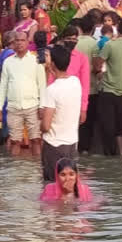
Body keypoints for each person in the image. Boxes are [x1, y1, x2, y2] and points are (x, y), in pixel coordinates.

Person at [0, 30, 46, 156]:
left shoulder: (36, 60)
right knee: (14, 141)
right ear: (13, 43)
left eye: (22, 40)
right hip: (13, 106)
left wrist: (42, 106)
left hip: (33, 105)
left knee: (36, 139)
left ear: (28, 42)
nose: (19, 43)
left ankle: (37, 171)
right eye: (17, 40)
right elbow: (3, 87)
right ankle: (15, 172)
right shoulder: (8, 62)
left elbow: (42, 86)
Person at [94, 18, 122, 156]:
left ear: (117, 29)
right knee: (119, 127)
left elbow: (97, 65)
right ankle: (121, 155)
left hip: (108, 90)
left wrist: (100, 73)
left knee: (107, 127)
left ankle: (109, 156)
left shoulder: (110, 45)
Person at [40, 45, 81, 181]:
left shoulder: (52, 90)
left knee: (52, 186)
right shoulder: (76, 82)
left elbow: (46, 126)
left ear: (52, 64)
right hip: (72, 144)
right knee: (68, 186)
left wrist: (40, 126)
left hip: (54, 146)